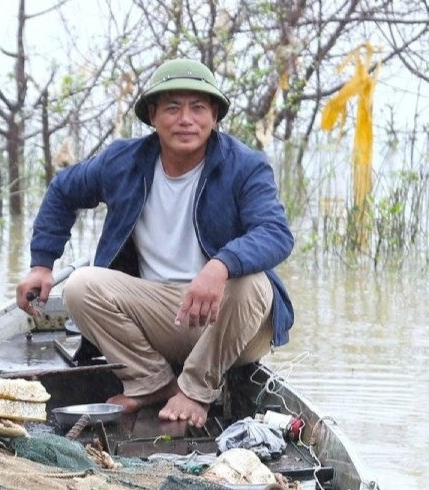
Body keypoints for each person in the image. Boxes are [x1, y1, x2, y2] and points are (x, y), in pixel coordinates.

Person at [16, 58, 295, 428]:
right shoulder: (124, 161)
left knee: (252, 283)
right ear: (152, 115)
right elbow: (63, 191)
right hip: (162, 315)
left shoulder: (245, 166)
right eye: (172, 107)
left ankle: (196, 390)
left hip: (230, 324)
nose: (186, 119)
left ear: (214, 115)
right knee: (81, 286)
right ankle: (151, 382)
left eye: (198, 107)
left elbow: (276, 233)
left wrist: (220, 265)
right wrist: (41, 263)